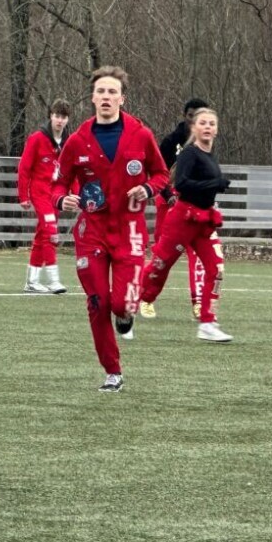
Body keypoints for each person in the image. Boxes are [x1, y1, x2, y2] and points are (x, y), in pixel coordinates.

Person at [52, 65, 169, 393]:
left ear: (122, 98)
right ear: (92, 97)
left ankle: (126, 315)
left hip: (129, 231)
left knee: (120, 304)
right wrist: (63, 200)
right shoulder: (78, 141)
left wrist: (147, 189)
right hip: (92, 230)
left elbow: (161, 175)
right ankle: (112, 372)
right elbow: (57, 184)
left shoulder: (140, 135)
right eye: (101, 91)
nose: (106, 97)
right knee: (97, 302)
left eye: (112, 92)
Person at [140, 108, 232, 342]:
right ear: (195, 127)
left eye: (212, 123)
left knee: (216, 270)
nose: (208, 127)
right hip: (183, 218)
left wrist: (215, 187)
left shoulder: (211, 154)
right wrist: (215, 183)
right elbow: (182, 183)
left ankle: (208, 322)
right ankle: (136, 296)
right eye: (203, 123)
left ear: (217, 129)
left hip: (205, 220)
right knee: (160, 265)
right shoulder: (189, 153)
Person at [140, 98, 211, 320]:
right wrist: (168, 195)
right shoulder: (171, 142)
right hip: (170, 203)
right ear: (185, 116)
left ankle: (199, 303)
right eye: (192, 115)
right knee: (163, 256)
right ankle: (145, 297)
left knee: (198, 256)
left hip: (196, 207)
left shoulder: (205, 143)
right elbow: (158, 174)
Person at [17, 98, 72, 294]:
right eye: (57, 116)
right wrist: (23, 195)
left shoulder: (68, 141)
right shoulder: (37, 138)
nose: (60, 120)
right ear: (51, 116)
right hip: (40, 193)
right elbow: (24, 168)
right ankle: (53, 279)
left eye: (63, 117)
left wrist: (75, 193)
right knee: (51, 232)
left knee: (42, 235)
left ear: (67, 120)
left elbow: (70, 170)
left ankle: (31, 282)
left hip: (55, 196)